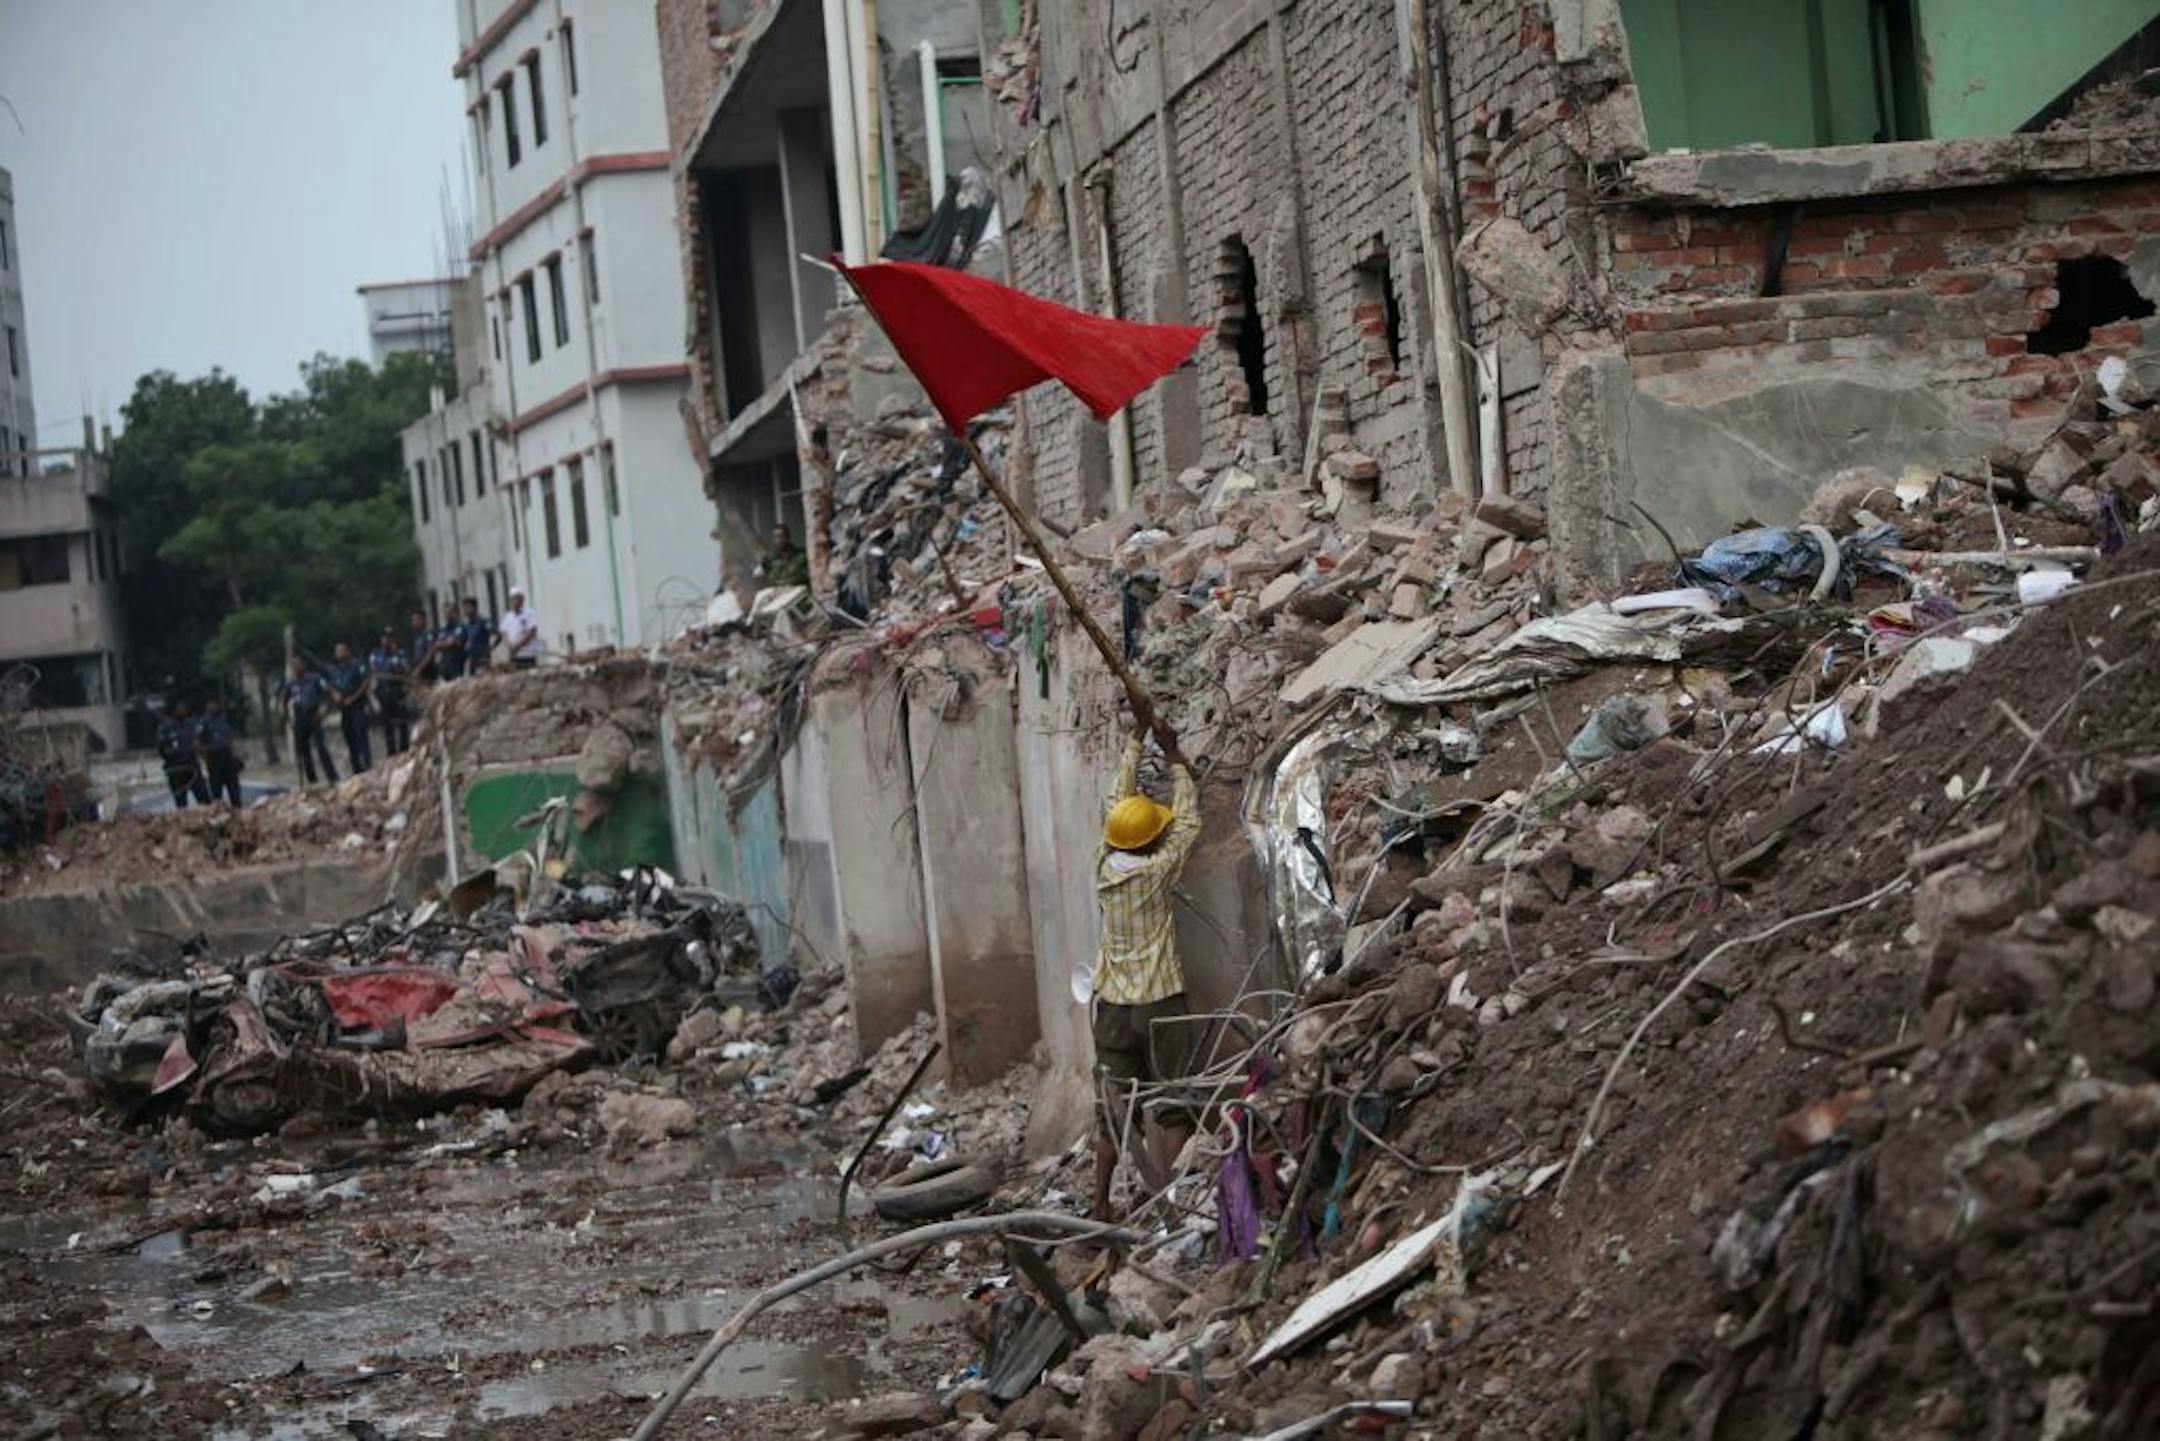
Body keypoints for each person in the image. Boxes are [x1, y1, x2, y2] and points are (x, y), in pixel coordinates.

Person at [1090, 727, 1201, 1220]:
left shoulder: (1103, 866)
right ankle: (1169, 1205)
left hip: (1113, 1008)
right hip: (1160, 1004)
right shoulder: (1158, 873)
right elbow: (1189, 824)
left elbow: (1118, 801)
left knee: (1116, 1111)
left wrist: (1134, 739)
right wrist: (1175, 758)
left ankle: (1098, 1205)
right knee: (1174, 1101)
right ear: (1152, 839)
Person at [282, 655, 338, 786]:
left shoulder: (314, 679)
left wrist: (324, 712)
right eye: (294, 666)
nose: (296, 669)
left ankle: (332, 777)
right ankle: (311, 779)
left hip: (313, 715)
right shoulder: (291, 683)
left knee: (320, 747)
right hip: (299, 717)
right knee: (303, 750)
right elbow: (284, 700)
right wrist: (288, 719)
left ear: (303, 666)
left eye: (298, 665)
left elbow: (328, 694)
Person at [155, 700, 209, 809]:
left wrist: (205, 759)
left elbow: (197, 743)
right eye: (180, 707)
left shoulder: (190, 725)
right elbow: (162, 749)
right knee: (181, 802)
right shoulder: (165, 728)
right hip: (176, 769)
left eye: (183, 707)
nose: (183, 709)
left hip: (191, 766)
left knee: (204, 798)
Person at [370, 628, 412, 755]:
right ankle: (391, 753)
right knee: (388, 726)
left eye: (390, 637)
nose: (387, 640)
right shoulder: (376, 654)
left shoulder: (400, 654)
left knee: (402, 724)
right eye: (384, 637)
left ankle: (404, 751)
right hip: (384, 692)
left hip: (398, 692)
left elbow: (404, 671)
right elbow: (375, 672)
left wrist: (395, 668)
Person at [196, 695, 244, 806]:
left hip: (226, 756)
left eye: (216, 704)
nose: (214, 706)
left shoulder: (224, 719)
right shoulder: (204, 722)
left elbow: (229, 739)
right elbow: (197, 742)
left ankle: (238, 813)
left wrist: (234, 754)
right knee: (216, 792)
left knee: (234, 790)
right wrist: (205, 757)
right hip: (214, 757)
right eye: (211, 704)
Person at [499, 586, 540, 669]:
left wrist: (518, 645)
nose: (516, 602)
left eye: (518, 599)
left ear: (522, 600)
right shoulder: (507, 616)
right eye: (514, 599)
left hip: (528, 654)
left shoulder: (529, 613)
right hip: (514, 655)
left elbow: (531, 632)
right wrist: (509, 645)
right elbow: (503, 633)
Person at [757, 523, 809, 588]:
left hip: (799, 590)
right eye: (776, 537)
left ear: (788, 537)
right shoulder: (769, 559)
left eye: (781, 536)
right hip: (779, 593)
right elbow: (760, 578)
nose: (779, 540)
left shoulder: (801, 555)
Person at [458, 595, 495, 677]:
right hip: (472, 659)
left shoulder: (483, 622)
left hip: (482, 658)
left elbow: (497, 634)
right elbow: (463, 640)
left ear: (474, 607)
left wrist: (491, 647)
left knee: (484, 681)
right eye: (464, 608)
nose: (465, 610)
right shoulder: (467, 625)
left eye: (467, 607)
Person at [409, 609, 442, 685]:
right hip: (419, 672)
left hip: (428, 671)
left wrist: (418, 669)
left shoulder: (429, 635)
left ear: (423, 620)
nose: (415, 622)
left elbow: (430, 654)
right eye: (413, 620)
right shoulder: (416, 637)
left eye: (417, 619)